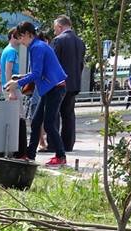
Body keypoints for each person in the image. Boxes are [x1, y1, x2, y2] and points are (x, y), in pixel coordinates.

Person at [6, 21, 68, 167]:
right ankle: (30, 155)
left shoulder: (37, 48)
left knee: (48, 124)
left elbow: (37, 73)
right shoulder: (37, 46)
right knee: (35, 122)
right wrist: (21, 77)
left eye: (21, 37)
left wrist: (17, 83)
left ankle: (61, 156)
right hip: (49, 88)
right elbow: (37, 72)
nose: (20, 41)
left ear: (28, 34)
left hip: (55, 88)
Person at [51, 15, 85, 151]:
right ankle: (68, 144)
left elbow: (53, 64)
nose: (54, 32)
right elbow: (81, 64)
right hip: (74, 83)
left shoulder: (58, 41)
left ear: (60, 26)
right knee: (69, 114)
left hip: (59, 84)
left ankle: (54, 144)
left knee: (54, 114)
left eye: (55, 29)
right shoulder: (80, 42)